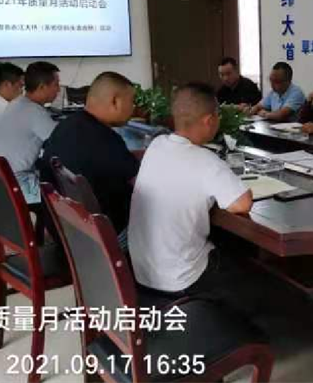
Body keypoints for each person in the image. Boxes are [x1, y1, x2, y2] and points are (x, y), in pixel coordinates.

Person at [129, 82, 252, 298]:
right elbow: (242, 204)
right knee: (245, 260)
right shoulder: (205, 160)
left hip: (142, 273)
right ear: (209, 120)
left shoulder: (157, 145)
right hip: (182, 279)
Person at [39, 72, 139, 234]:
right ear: (115, 101)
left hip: (67, 230)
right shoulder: (106, 139)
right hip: (107, 236)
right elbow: (140, 184)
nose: (133, 107)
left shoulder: (66, 126)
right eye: (132, 101)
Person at [0, 61, 60, 204]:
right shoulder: (34, 111)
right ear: (42, 87)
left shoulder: (17, 103)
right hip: (16, 185)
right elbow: (61, 142)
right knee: (71, 194)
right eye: (56, 85)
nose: (58, 90)